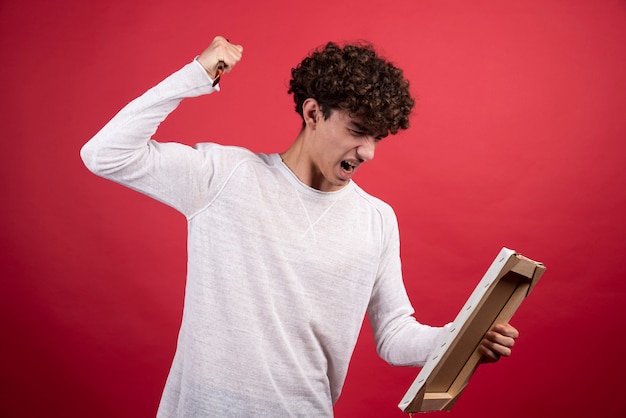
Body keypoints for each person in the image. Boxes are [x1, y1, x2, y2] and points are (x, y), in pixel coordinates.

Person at [81, 36, 519, 417]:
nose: (368, 152)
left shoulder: (376, 220)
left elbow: (394, 334)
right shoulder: (225, 175)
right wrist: (195, 76)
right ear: (312, 113)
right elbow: (105, 154)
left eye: (377, 138)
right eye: (358, 130)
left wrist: (461, 338)